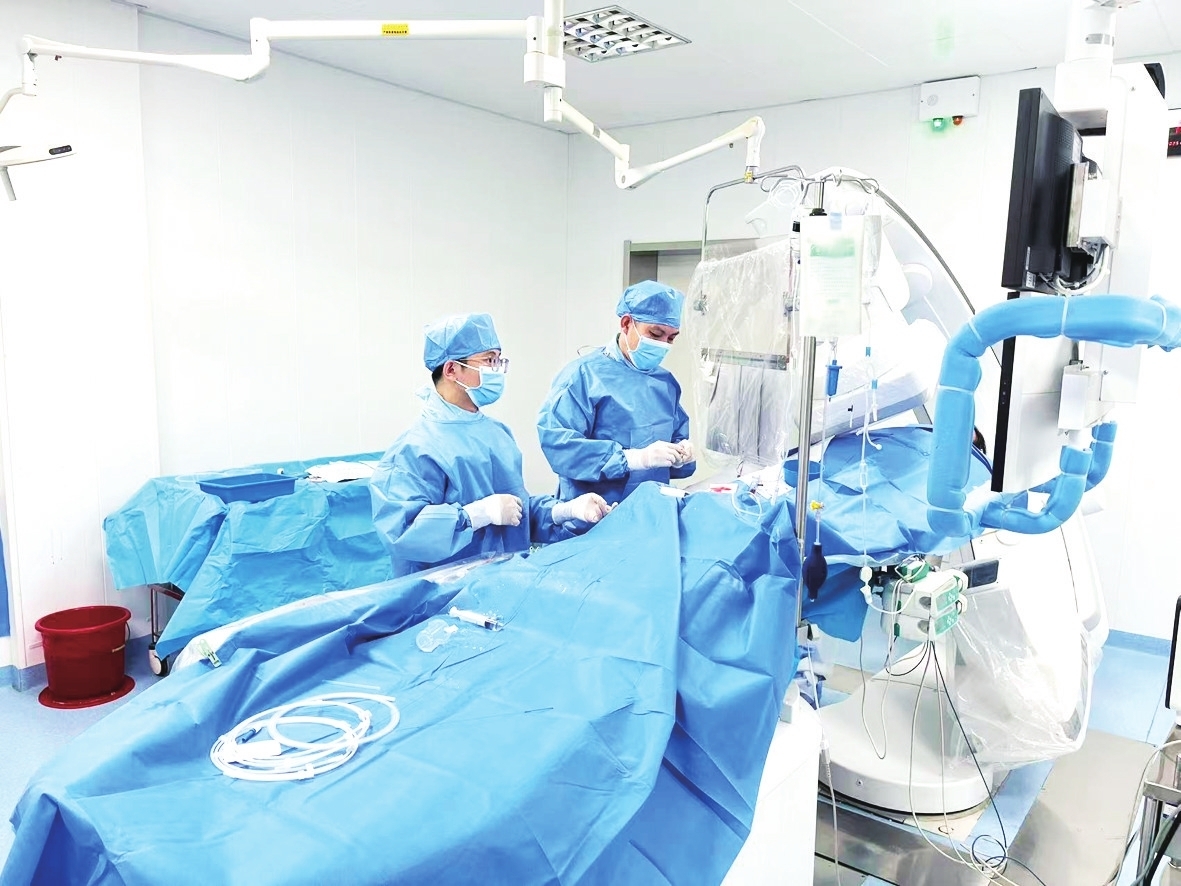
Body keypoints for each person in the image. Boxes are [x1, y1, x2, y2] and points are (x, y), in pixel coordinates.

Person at [370, 313, 609, 577]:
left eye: (499, 360)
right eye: (488, 360)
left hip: (502, 583)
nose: (497, 369)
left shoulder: (497, 434)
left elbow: (513, 512)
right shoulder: (416, 447)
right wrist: (476, 515)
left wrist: (564, 511)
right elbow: (401, 531)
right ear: (451, 370)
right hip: (442, 594)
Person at [537, 280, 695, 506]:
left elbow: (676, 437)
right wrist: (633, 459)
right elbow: (559, 446)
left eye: (671, 338)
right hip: (596, 515)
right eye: (655, 333)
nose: (663, 344)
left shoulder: (665, 382)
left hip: (652, 511)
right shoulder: (583, 375)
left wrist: (681, 454)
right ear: (627, 323)